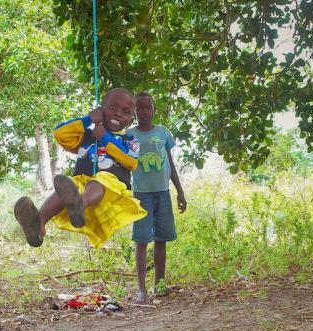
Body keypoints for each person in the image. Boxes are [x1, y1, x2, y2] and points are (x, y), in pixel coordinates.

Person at [14, 88, 147, 249]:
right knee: (70, 185)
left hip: (111, 191)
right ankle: (38, 224)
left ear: (130, 119)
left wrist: (105, 137)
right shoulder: (87, 136)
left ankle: (78, 205)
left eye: (125, 112)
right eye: (112, 107)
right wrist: (88, 119)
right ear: (101, 110)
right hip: (83, 186)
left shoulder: (130, 140)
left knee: (100, 180)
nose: (118, 113)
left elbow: (131, 162)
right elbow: (60, 134)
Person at [127, 91, 187, 304]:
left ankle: (159, 283)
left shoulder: (163, 133)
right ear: (134, 112)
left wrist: (179, 191)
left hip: (163, 192)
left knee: (162, 239)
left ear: (153, 109)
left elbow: (170, 163)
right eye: (139, 108)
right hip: (141, 194)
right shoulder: (130, 135)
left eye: (147, 107)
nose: (143, 111)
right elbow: (126, 164)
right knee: (141, 240)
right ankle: (141, 288)